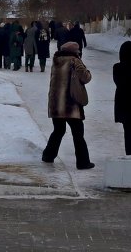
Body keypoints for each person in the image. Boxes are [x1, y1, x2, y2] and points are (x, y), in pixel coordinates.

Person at [41, 41, 93, 169]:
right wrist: (88, 71)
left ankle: (48, 155)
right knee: (78, 133)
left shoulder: (56, 60)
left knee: (58, 130)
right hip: (71, 104)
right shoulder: (74, 61)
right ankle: (83, 162)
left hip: (56, 103)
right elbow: (85, 77)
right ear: (75, 51)